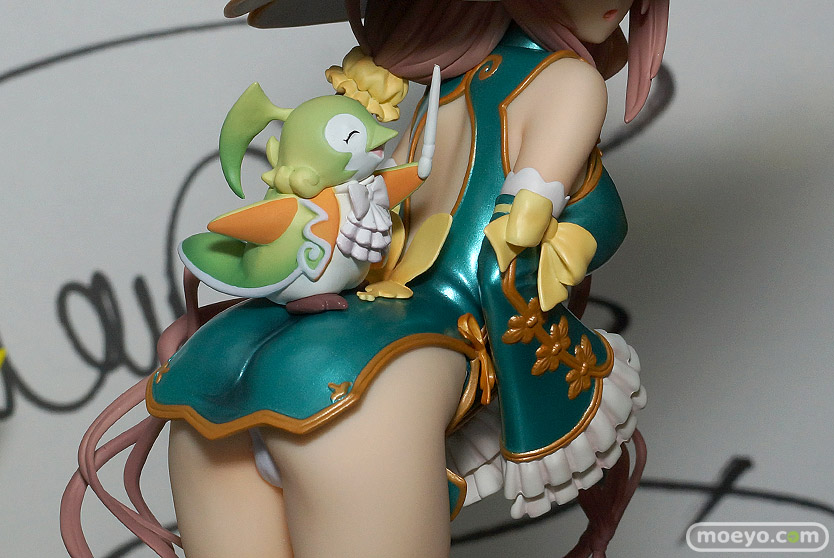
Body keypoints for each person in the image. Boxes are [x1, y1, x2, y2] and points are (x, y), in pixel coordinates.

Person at [61, 1, 669, 557]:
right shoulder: (571, 81)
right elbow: (520, 229)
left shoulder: (443, 90)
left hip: (220, 371)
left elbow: (392, 214)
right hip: (417, 338)